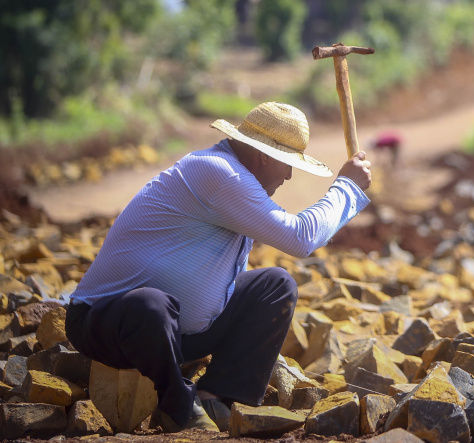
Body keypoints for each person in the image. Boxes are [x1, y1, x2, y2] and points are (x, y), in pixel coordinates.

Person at [65, 102, 372, 432]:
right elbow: (300, 238)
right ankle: (178, 406)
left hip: (177, 337)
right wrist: (347, 187)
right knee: (151, 305)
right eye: (287, 165)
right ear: (264, 155)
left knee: (275, 286)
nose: (289, 176)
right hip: (107, 327)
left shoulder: (235, 176)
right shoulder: (218, 172)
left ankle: (217, 398)